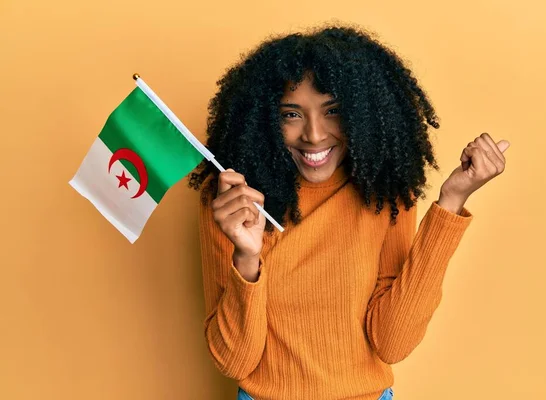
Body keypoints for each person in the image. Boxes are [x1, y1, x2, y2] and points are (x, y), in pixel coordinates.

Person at [188, 24, 510, 400]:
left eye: (334, 111)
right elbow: (234, 362)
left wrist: (451, 203)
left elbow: (393, 343)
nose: (314, 134)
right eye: (291, 114)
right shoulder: (233, 200)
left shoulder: (384, 192)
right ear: (264, 120)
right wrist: (247, 257)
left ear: (363, 113)